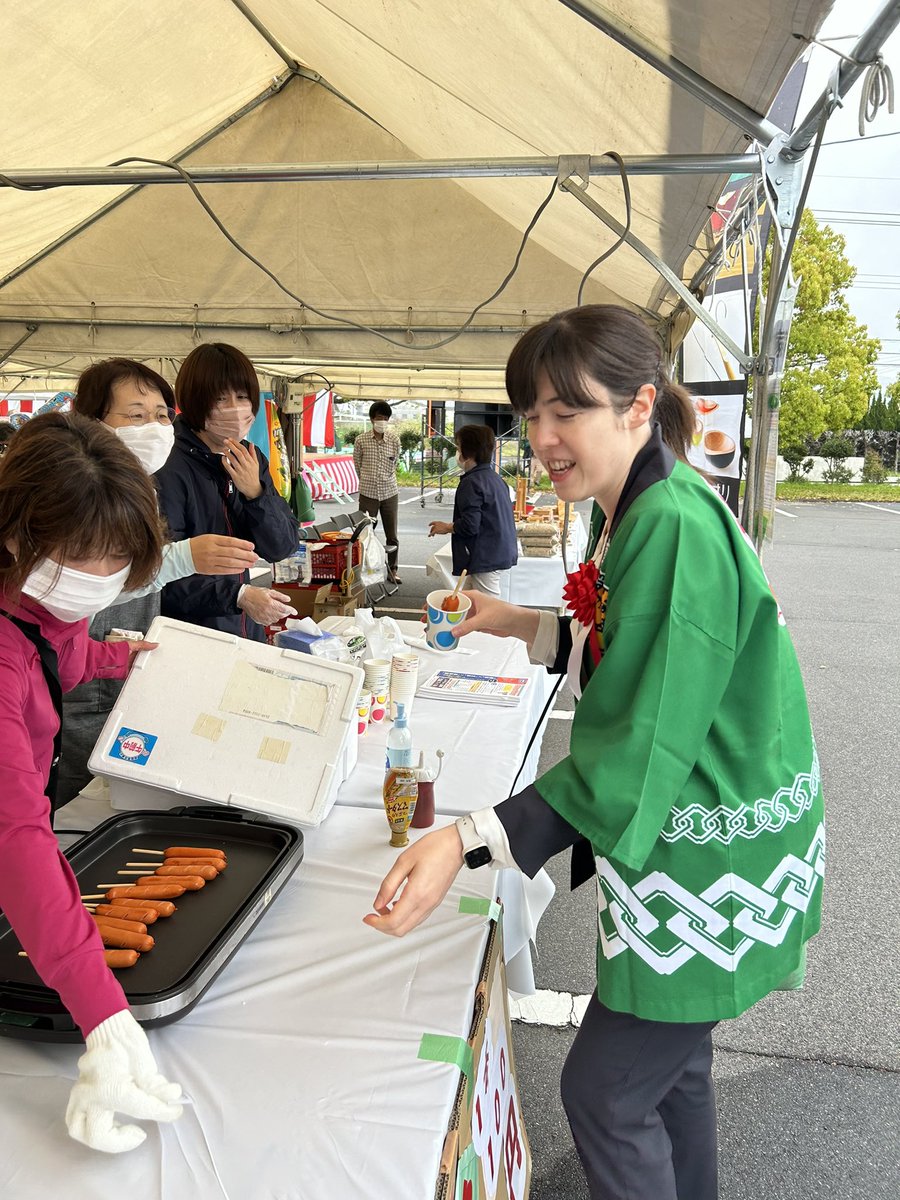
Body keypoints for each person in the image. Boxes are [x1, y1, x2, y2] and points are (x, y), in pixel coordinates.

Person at [364, 305, 824, 1200]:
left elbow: (640, 741)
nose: (543, 438)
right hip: (710, 830)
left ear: (638, 406)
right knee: (671, 1071)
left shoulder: (671, 523)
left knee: (606, 1093)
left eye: (566, 411)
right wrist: (514, 620)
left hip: (711, 847)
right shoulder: (640, 505)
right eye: (531, 415)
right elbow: (623, 648)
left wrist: (464, 839)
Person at [0, 412, 183, 1153]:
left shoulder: (45, 598)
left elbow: (64, 659)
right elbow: (14, 835)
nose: (103, 575)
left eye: (119, 557)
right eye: (85, 554)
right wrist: (103, 1015)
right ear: (17, 535)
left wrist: (123, 658)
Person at [57, 358, 259, 805]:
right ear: (90, 421)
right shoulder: (73, 489)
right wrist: (182, 559)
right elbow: (78, 586)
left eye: (162, 415)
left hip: (123, 661)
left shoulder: (142, 485)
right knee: (76, 803)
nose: (153, 427)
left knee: (121, 793)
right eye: (136, 415)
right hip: (80, 680)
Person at [154, 343, 300, 640]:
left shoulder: (251, 458)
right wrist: (238, 595)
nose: (235, 408)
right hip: (189, 635)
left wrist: (256, 494)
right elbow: (156, 572)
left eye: (242, 397)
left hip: (244, 629)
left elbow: (281, 547)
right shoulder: (166, 464)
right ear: (195, 401)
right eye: (221, 398)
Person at [428, 423, 518, 597]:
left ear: (467, 452)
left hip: (486, 556)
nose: (457, 453)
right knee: (468, 600)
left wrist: (447, 527)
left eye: (458, 447)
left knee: (487, 607)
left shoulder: (471, 482)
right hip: (496, 552)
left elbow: (470, 524)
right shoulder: (495, 478)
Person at [353, 400, 402, 584]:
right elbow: (357, 464)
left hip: (390, 492)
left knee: (392, 535)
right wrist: (367, 479)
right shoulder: (361, 440)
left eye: (385, 418)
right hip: (368, 493)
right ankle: (363, 569)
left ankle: (393, 570)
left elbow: (395, 463)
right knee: (365, 534)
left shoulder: (394, 440)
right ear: (372, 419)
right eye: (379, 417)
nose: (382, 421)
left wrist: (384, 478)